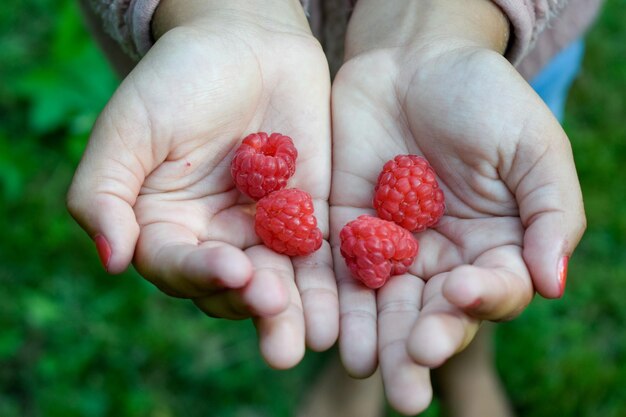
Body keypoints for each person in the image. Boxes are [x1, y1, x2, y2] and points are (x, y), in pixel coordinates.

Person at [68, 0, 600, 415]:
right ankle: (355, 376)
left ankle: (468, 363)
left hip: (493, 46)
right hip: (206, 54)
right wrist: (220, 13)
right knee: (388, 285)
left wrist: (451, 20)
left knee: (485, 226)